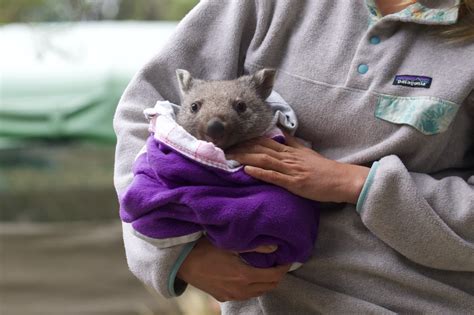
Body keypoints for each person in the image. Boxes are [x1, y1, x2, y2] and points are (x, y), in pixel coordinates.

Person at [113, 0, 474, 313]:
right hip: (270, 302)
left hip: (426, 300)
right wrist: (175, 254)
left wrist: (356, 184)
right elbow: (146, 114)